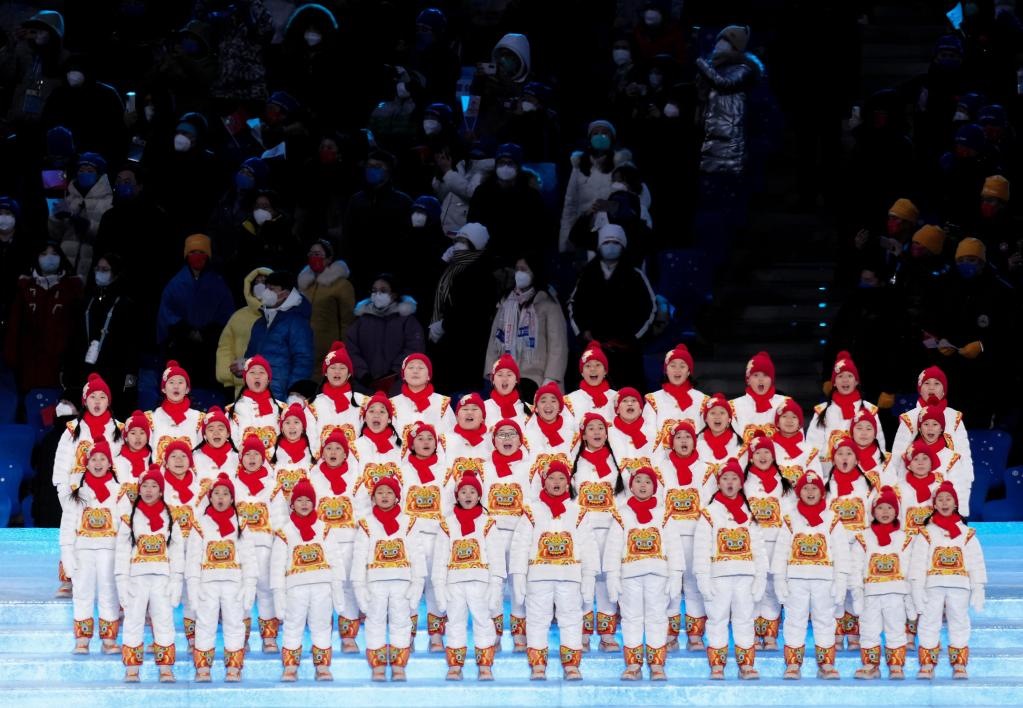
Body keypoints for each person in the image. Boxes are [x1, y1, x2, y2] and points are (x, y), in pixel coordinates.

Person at [510, 459, 598, 681]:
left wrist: (589, 577)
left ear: (568, 483)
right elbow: (520, 544)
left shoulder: (578, 512)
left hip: (570, 577)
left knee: (571, 619)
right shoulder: (532, 511)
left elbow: (588, 545)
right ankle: (538, 665)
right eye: (551, 478)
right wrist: (519, 575)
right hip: (538, 577)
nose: (556, 482)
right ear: (544, 482)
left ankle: (571, 665)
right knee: (537, 619)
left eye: (561, 478)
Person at [604, 466, 681, 681]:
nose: (643, 485)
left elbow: (674, 546)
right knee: (631, 618)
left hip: (658, 575)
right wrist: (612, 577)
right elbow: (613, 547)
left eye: (648, 482)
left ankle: (657, 664)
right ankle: (633, 664)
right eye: (638, 481)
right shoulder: (621, 514)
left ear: (654, 487)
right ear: (631, 486)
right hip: (629, 576)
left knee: (657, 618)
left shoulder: (664, 514)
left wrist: (676, 575)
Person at [693, 457, 767, 679]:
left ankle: (746, 665)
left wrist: (760, 578)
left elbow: (759, 549)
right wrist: (703, 579)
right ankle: (717, 665)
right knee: (717, 619)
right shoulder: (709, 513)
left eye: (734, 478)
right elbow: (701, 549)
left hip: (745, 577)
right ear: (718, 482)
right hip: (719, 578)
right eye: (725, 478)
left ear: (741, 482)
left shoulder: (749, 515)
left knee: (745, 620)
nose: (730, 482)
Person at [772, 470, 849, 680]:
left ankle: (826, 664)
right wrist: (779, 579)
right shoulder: (790, 519)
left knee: (825, 620)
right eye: (805, 488)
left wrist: (840, 581)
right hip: (796, 580)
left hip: (824, 581)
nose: (810, 491)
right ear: (799, 492)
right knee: (794, 620)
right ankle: (793, 664)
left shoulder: (832, 519)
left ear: (822, 492)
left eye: (814, 487)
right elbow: (781, 551)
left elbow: (841, 552)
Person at [270, 477, 348, 682]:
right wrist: (278, 595)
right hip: (295, 589)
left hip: (322, 587)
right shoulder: (285, 532)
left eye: (308, 500)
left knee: (321, 625)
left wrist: (337, 588)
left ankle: (322, 666)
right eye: (299, 500)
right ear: (292, 504)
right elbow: (277, 566)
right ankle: (290, 666)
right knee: (292, 625)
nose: (304, 504)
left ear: (314, 503)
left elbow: (335, 559)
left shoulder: (324, 529)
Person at [351, 475, 426, 682]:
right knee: (374, 621)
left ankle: (399, 664)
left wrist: (418, 583)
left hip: (402, 582)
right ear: (373, 498)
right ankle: (377, 664)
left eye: (389, 492)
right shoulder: (366, 524)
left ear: (397, 497)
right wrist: (359, 587)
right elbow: (359, 557)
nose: (384, 496)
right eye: (380, 492)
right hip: (375, 583)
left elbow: (417, 554)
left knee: (401, 622)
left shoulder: (408, 523)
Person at [910, 481, 986, 679]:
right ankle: (927, 663)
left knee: (959, 621)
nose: (944, 503)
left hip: (959, 585)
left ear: (955, 503)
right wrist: (917, 588)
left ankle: (959, 663)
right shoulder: (926, 533)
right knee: (929, 621)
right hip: (932, 585)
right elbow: (918, 562)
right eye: (940, 499)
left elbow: (976, 561)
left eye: (948, 499)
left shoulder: (967, 534)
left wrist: (978, 587)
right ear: (934, 504)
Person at [432, 471, 504, 680]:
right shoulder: (447, 524)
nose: (468, 495)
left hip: (480, 582)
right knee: (455, 622)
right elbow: (440, 558)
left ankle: (485, 665)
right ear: (457, 495)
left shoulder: (487, 523)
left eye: (472, 491)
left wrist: (495, 585)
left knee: (483, 621)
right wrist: (439, 587)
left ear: (479, 495)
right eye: (463, 491)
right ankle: (455, 665)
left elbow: (496, 557)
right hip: (454, 583)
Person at [568, 225, 657, 389]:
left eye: (615, 242)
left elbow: (650, 308)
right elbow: (574, 305)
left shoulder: (635, 275)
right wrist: (582, 331)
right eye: (606, 242)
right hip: (594, 351)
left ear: (622, 246)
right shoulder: (587, 274)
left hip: (626, 353)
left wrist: (633, 337)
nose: (610, 246)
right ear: (599, 246)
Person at [187, 473, 256, 682]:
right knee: (205, 624)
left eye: (225, 493)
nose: (220, 497)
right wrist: (193, 585)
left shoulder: (241, 523)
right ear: (210, 497)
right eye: (216, 493)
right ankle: (203, 668)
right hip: (207, 583)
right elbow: (193, 557)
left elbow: (249, 557)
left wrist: (249, 584)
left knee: (234, 624)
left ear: (232, 498)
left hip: (233, 583)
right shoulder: (200, 524)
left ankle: (234, 668)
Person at [115, 466, 181, 683]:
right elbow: (122, 552)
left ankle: (166, 668)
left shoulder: (171, 517)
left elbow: (177, 551)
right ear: (139, 489)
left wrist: (176, 580)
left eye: (154, 486)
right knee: (133, 621)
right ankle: (132, 668)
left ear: (161, 491)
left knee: (164, 621)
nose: (149, 490)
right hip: (136, 578)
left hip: (162, 578)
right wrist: (122, 581)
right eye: (145, 486)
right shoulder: (129, 518)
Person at [59, 441, 124, 656]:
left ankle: (109, 639)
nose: (98, 463)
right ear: (86, 464)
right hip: (83, 551)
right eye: (93, 459)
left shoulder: (118, 492)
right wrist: (67, 558)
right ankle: (82, 639)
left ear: (110, 463)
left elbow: (124, 526)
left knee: (109, 593)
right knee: (82, 593)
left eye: (102, 459)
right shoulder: (78, 494)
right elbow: (67, 528)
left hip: (109, 551)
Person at [656, 421, 714, 651]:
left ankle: (695, 636)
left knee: (694, 585)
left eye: (687, 437)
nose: (683, 441)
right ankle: (668, 635)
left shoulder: (707, 470)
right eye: (678, 437)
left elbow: (710, 505)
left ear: (694, 441)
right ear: (671, 442)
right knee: (669, 585)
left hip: (696, 537)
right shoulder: (660, 469)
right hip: (669, 537)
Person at [569, 413, 625, 653]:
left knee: (605, 581)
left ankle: (607, 634)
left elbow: (623, 495)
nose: (596, 432)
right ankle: (581, 633)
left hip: (610, 529)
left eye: (600, 427)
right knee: (583, 580)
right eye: (591, 428)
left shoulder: (617, 460)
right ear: (583, 434)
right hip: (582, 530)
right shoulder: (574, 461)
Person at [848, 486, 913, 680]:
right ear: (873, 511)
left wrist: (910, 597)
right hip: (871, 594)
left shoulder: (905, 539)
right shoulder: (863, 538)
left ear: (897, 511)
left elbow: (909, 569)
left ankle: (896, 666)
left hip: (896, 594)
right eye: (880, 508)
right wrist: (857, 594)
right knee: (868, 629)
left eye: (890, 508)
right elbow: (855, 568)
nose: (885, 512)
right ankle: (871, 665)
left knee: (896, 629)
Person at [64, 253, 140, 417]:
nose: (100, 273)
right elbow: (76, 338)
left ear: (116, 273)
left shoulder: (126, 305)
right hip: (87, 371)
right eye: (97, 269)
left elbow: (131, 348)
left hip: (115, 374)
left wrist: (129, 383)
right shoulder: (87, 301)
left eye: (105, 270)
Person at [305, 430, 361, 653]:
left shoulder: (357, 476)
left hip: (349, 540)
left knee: (348, 587)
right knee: (322, 588)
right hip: (323, 542)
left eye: (338, 448)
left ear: (346, 453)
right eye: (328, 448)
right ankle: (321, 636)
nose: (333, 452)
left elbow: (364, 508)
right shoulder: (312, 476)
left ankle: (348, 636)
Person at [157, 234, 235, 390]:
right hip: (181, 347)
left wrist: (207, 333)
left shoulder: (218, 284)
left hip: (210, 348)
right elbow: (166, 314)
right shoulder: (175, 284)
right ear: (186, 255)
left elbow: (227, 313)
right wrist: (186, 331)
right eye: (193, 252)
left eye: (201, 252)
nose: (197, 256)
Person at [482, 418, 533, 652]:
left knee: (519, 583)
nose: (507, 438)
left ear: (521, 440)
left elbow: (534, 499)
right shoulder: (484, 468)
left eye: (512, 434)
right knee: (494, 584)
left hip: (520, 534)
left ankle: (520, 633)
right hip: (492, 533)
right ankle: (493, 633)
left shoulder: (529, 467)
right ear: (493, 440)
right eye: (501, 434)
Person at [484, 257, 569, 397]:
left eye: (523, 269)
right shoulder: (506, 301)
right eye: (517, 269)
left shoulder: (548, 303)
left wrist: (551, 378)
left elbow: (558, 345)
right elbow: (495, 339)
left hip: (538, 379)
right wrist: (491, 371)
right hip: (506, 379)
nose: (519, 273)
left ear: (534, 272)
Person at [5, 242, 84, 392]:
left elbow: (77, 327)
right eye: (44, 254)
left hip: (60, 362)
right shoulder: (24, 287)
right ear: (36, 258)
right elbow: (14, 325)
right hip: (28, 361)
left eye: (54, 254)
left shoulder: (72, 288)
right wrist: (11, 356)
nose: (49, 258)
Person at [428, 222, 497, 393]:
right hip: (444, 346)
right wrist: (442, 263)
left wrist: (443, 325)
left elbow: (470, 312)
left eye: (464, 242)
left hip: (466, 349)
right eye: (457, 240)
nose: (459, 245)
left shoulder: (482, 275)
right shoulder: (452, 268)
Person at [467, 142, 553, 270]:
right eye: (502, 162)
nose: (505, 167)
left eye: (510, 163)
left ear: (518, 166)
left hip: (521, 263)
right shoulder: (482, 193)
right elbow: (472, 226)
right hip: (487, 261)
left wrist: (526, 258)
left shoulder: (531, 196)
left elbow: (540, 233)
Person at [744, 435, 792, 651]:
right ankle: (753, 632)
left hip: (777, 543)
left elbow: (790, 516)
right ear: (751, 457)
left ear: (773, 456)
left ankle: (770, 634)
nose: (762, 456)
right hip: (753, 543)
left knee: (772, 587)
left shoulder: (785, 485)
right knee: (753, 586)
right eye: (758, 452)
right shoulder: (744, 484)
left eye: (767, 452)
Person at [341, 150, 414, 295]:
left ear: (389, 171)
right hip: (360, 270)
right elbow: (347, 236)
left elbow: (409, 241)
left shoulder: (402, 202)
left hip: (392, 271)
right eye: (369, 166)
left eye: (377, 166)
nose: (372, 170)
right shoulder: (356, 200)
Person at [694, 25, 763, 176]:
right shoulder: (713, 65)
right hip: (710, 134)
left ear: (734, 47)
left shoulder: (743, 68)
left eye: (725, 41)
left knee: (723, 180)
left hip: (728, 140)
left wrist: (700, 62)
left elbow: (723, 83)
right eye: (719, 40)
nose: (718, 44)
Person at [232, 434, 279, 654]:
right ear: (241, 458)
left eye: (256, 454)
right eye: (247, 454)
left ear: (263, 457)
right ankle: (241, 636)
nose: (252, 458)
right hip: (240, 548)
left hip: (265, 547)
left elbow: (279, 518)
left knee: (266, 591)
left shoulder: (273, 486)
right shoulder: (232, 485)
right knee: (241, 591)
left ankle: (269, 637)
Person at [559, 120, 632, 252]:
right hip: (583, 234)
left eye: (604, 133)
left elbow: (639, 201)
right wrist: (565, 241)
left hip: (615, 236)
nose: (600, 136)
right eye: (596, 133)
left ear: (612, 138)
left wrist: (614, 207)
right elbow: (570, 206)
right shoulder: (579, 166)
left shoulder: (623, 165)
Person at [346, 274, 424, 396]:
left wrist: (394, 373)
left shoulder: (407, 321)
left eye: (383, 291)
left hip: (398, 388)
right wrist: (362, 374)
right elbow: (350, 349)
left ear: (394, 294)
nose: (377, 294)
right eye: (374, 290)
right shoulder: (361, 321)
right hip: (364, 389)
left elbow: (414, 349)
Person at [807, 352, 886, 468]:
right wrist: (817, 469)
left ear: (856, 381)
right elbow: (813, 444)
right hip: (830, 470)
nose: (845, 380)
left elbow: (879, 440)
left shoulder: (869, 409)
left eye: (849, 376)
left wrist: (878, 467)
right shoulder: (822, 410)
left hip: (863, 468)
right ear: (834, 383)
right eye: (840, 376)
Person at [245, 270, 315, 401]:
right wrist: (243, 366)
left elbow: (303, 360)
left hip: (281, 396)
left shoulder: (297, 322)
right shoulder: (260, 323)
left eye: (271, 289)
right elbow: (251, 357)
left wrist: (294, 393)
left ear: (285, 294)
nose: (266, 292)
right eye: (266, 288)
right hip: (256, 394)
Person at [160, 439, 201, 648]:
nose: (178, 460)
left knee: (191, 594)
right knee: (163, 594)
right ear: (166, 461)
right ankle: (162, 640)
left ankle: (194, 639)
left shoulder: (201, 487)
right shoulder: (157, 486)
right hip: (166, 551)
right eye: (173, 456)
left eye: (183, 456)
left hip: (194, 550)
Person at [892, 366, 972, 473]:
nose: (931, 387)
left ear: (944, 390)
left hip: (948, 475)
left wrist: (966, 477)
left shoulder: (954, 417)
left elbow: (963, 451)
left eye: (937, 383)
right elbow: (898, 453)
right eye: (927, 383)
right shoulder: (909, 418)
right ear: (920, 389)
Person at [48, 152, 113, 277]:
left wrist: (77, 219)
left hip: (90, 268)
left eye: (90, 170)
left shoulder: (108, 202)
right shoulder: (69, 198)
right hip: (64, 265)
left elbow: (103, 236)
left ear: (99, 174)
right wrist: (56, 219)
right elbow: (55, 235)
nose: (84, 173)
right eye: (81, 170)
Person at [298, 239, 355, 376]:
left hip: (328, 349)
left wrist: (342, 349)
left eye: (318, 254)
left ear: (329, 258)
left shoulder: (341, 285)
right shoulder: (305, 285)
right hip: (304, 347)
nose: (313, 257)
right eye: (311, 254)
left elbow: (347, 321)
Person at [217, 267, 273, 397]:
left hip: (272, 386)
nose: (260, 286)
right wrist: (227, 375)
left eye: (264, 281)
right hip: (241, 385)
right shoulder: (238, 316)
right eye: (256, 282)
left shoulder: (280, 316)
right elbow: (226, 346)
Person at [644, 344, 707, 450]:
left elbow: (705, 436)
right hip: (661, 457)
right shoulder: (653, 399)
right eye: (673, 366)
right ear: (666, 370)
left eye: (682, 366)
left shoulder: (702, 400)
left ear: (688, 372)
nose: (677, 370)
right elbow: (649, 433)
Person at [149, 361, 203, 465]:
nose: (176, 386)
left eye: (180, 382)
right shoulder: (151, 418)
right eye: (171, 382)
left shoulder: (198, 418)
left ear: (187, 389)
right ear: (163, 389)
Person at [390, 353, 454, 438]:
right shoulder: (392, 403)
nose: (415, 371)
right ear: (403, 376)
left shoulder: (442, 402)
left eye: (420, 368)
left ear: (428, 376)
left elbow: (450, 436)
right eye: (410, 367)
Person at [228, 355, 285, 451]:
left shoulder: (282, 409)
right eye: (252, 372)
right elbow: (232, 443)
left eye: (262, 372)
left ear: (268, 379)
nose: (257, 376)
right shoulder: (233, 410)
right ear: (245, 379)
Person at [730, 351, 787, 443]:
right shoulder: (733, 406)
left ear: (772, 380)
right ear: (748, 380)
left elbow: (797, 439)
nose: (761, 379)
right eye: (756, 375)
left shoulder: (785, 403)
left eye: (765, 375)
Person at [523, 382, 579, 459]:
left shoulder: (572, 434)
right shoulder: (527, 434)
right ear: (536, 408)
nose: (548, 405)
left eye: (553, 401)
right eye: (543, 401)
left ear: (559, 408)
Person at [565, 342, 617, 422]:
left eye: (597, 365)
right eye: (588, 366)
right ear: (582, 373)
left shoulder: (617, 398)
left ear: (605, 371)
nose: (592, 369)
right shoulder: (569, 400)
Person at [192, 407, 237, 491]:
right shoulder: (195, 457)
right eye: (211, 429)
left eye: (220, 429)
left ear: (228, 433)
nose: (216, 433)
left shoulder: (237, 457)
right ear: (204, 435)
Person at [696, 393, 744, 468]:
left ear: (729, 419)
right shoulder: (696, 443)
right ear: (706, 419)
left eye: (722, 413)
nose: (717, 416)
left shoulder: (740, 445)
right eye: (713, 413)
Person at [114, 411, 152, 501]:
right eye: (133, 433)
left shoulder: (152, 459)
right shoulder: (117, 461)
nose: (138, 437)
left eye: (142, 433)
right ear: (126, 437)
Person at [484, 355, 530, 429]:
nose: (504, 379)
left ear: (516, 380)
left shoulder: (528, 409)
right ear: (493, 380)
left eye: (509, 375)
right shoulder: (482, 407)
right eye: (500, 375)